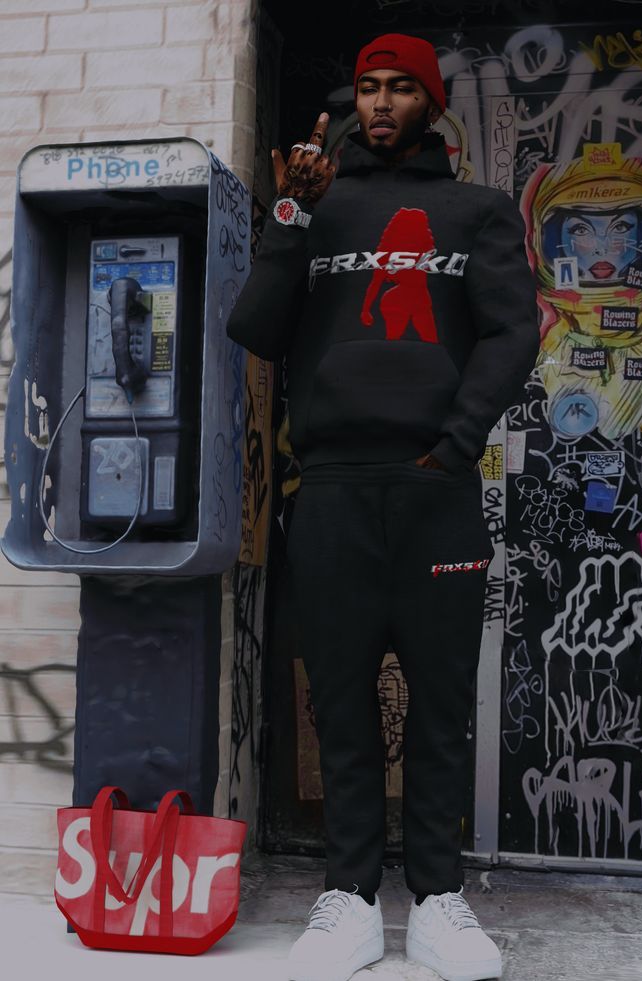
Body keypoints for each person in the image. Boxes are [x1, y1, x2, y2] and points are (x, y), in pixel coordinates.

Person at [227, 32, 539, 981]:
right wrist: (288, 214)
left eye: (403, 88)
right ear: (350, 100)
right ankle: (351, 898)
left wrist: (455, 446)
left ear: (430, 105)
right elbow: (253, 326)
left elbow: (511, 333)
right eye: (369, 87)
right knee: (343, 705)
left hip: (435, 489)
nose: (382, 103)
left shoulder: (476, 212)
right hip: (329, 491)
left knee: (441, 704)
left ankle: (438, 900)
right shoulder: (315, 212)